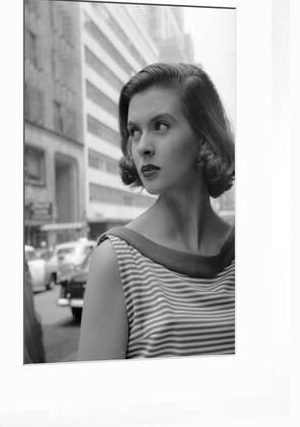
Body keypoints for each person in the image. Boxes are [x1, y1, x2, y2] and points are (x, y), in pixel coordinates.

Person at [77, 63, 235, 361]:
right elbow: (94, 400)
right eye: (134, 131)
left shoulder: (251, 250)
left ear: (204, 136)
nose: (142, 147)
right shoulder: (115, 259)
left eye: (160, 126)